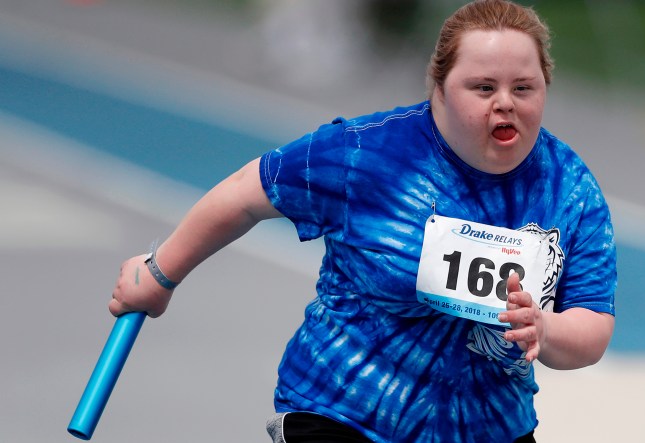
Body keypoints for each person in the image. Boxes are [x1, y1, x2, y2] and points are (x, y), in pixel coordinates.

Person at [109, 1, 617, 442]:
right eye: (482, 87)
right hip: (344, 412)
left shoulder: (569, 189)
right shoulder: (367, 154)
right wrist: (158, 275)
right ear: (438, 88)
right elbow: (246, 193)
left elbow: (592, 324)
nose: (504, 102)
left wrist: (544, 329)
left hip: (488, 427)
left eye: (523, 88)